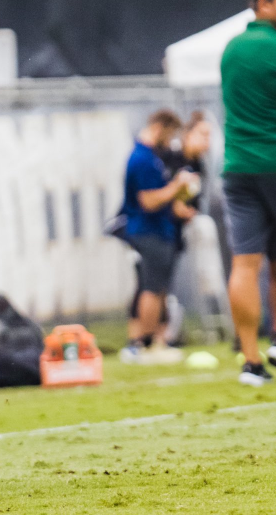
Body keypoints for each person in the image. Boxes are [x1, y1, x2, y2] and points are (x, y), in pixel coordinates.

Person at [221, 0, 276, 386]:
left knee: (244, 264)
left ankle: (251, 361)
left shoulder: (231, 49)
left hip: (238, 166)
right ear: (263, 3)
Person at [118, 110, 194, 364]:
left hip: (160, 230)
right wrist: (177, 186)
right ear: (160, 127)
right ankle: (145, 343)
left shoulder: (152, 156)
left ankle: (157, 342)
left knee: (159, 288)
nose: (170, 141)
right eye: (170, 134)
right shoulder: (142, 159)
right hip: (148, 232)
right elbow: (148, 201)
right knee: (150, 288)